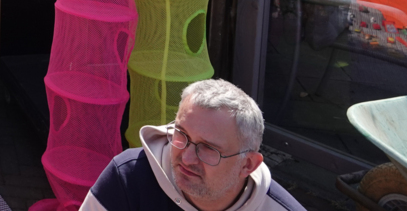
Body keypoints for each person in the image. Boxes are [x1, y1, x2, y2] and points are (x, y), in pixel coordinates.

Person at [80, 79, 303, 211]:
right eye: (181, 134)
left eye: (208, 148)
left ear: (248, 164)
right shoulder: (127, 177)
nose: (186, 158)